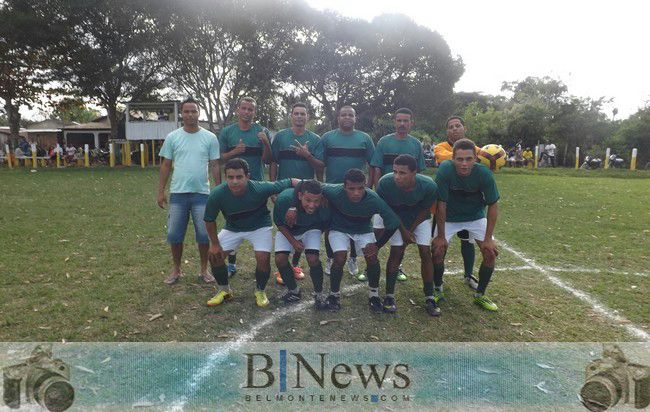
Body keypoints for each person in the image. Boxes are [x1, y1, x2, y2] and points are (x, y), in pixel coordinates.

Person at [203, 158, 299, 308]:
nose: (234, 181)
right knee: (214, 255)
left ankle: (260, 290)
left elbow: (292, 181)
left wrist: (317, 191)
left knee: (262, 258)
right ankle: (224, 290)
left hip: (259, 227)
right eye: (230, 177)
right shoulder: (217, 194)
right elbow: (209, 220)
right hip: (233, 228)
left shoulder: (260, 188)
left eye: (239, 177)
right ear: (226, 177)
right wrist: (215, 244)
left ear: (247, 176)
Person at [314, 168, 406, 312]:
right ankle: (334, 295)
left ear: (365, 185)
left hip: (363, 229)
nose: (356, 192)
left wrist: (377, 245)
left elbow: (393, 222)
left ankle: (374, 295)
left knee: (372, 257)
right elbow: (308, 184)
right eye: (351, 188)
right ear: (344, 186)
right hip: (339, 228)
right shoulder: (333, 190)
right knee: (339, 257)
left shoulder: (373, 199)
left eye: (360, 188)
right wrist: (299, 204)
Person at [157, 97, 221, 285]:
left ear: (198, 113)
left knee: (204, 235)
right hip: (178, 194)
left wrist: (219, 190)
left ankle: (203, 269)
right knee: (175, 235)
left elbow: (215, 165)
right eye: (186, 111)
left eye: (193, 111)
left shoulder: (210, 137)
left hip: (202, 194)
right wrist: (161, 191)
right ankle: (176, 270)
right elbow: (166, 165)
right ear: (181, 114)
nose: (190, 114)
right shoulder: (173, 137)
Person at [432, 138, 500, 313]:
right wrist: (440, 236)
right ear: (452, 158)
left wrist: (488, 239)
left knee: (490, 253)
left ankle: (480, 295)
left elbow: (493, 205)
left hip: (475, 217)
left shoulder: (484, 174)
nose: (464, 164)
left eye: (469, 159)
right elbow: (441, 204)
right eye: (460, 159)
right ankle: (437, 288)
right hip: (449, 217)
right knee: (438, 250)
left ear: (476, 159)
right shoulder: (445, 170)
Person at [375, 154, 439, 316]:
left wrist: (411, 229)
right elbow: (388, 211)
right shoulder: (385, 183)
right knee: (396, 250)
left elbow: (425, 210)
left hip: (419, 218)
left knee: (425, 252)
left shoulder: (429, 186)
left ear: (414, 173)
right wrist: (404, 232)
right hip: (396, 217)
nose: (397, 176)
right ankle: (389, 296)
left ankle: (430, 296)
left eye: (402, 173)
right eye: (395, 171)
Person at [270, 102, 324, 285]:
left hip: (307, 195)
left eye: (303, 113)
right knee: (287, 224)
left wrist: (307, 155)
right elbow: (273, 163)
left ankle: (294, 265)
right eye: (296, 113)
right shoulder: (281, 137)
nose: (300, 116)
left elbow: (320, 166)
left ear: (308, 117)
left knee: (303, 225)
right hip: (285, 189)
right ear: (291, 115)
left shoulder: (316, 139)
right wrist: (273, 187)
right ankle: (283, 267)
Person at [369, 107, 426, 282]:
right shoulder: (384, 142)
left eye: (405, 121)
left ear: (411, 123)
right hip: (385, 196)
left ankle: (398, 266)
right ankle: (371, 264)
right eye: (399, 120)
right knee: (378, 233)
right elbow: (376, 168)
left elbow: (420, 172)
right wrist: (379, 193)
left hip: (406, 200)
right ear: (394, 122)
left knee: (402, 235)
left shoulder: (416, 144)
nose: (402, 124)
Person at [218, 96, 273, 278]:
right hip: (232, 185)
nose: (247, 112)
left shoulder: (262, 131)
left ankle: (259, 246)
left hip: (255, 186)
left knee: (256, 217)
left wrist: (265, 143)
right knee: (232, 221)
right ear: (238, 110)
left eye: (251, 109)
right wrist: (234, 152)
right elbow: (219, 159)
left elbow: (267, 160)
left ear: (254, 112)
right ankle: (231, 262)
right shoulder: (227, 132)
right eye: (244, 108)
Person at [320, 106, 375, 279]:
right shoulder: (327, 138)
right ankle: (330, 258)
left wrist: (369, 186)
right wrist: (322, 187)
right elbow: (320, 164)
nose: (347, 117)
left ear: (355, 118)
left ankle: (352, 258)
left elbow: (372, 164)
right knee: (330, 226)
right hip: (332, 190)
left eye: (350, 115)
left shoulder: (364, 138)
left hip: (356, 190)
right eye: (343, 114)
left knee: (354, 224)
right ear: (338, 118)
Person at [432, 116, 480, 291]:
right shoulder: (440, 147)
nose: (454, 129)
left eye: (457, 126)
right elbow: (445, 158)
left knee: (468, 241)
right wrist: (474, 157)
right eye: (450, 127)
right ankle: (438, 281)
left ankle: (468, 275)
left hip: (469, 203)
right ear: (447, 131)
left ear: (464, 128)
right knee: (440, 243)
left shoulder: (475, 149)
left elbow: (489, 156)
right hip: (447, 204)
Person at [273, 180, 330, 308]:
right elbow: (280, 224)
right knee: (280, 259)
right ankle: (294, 291)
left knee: (313, 258)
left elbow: (324, 225)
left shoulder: (325, 204)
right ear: (299, 196)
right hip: (289, 230)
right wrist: (293, 241)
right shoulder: (284, 200)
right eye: (308, 200)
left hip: (311, 229)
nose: (312, 205)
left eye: (316, 201)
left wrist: (311, 240)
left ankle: (319, 294)